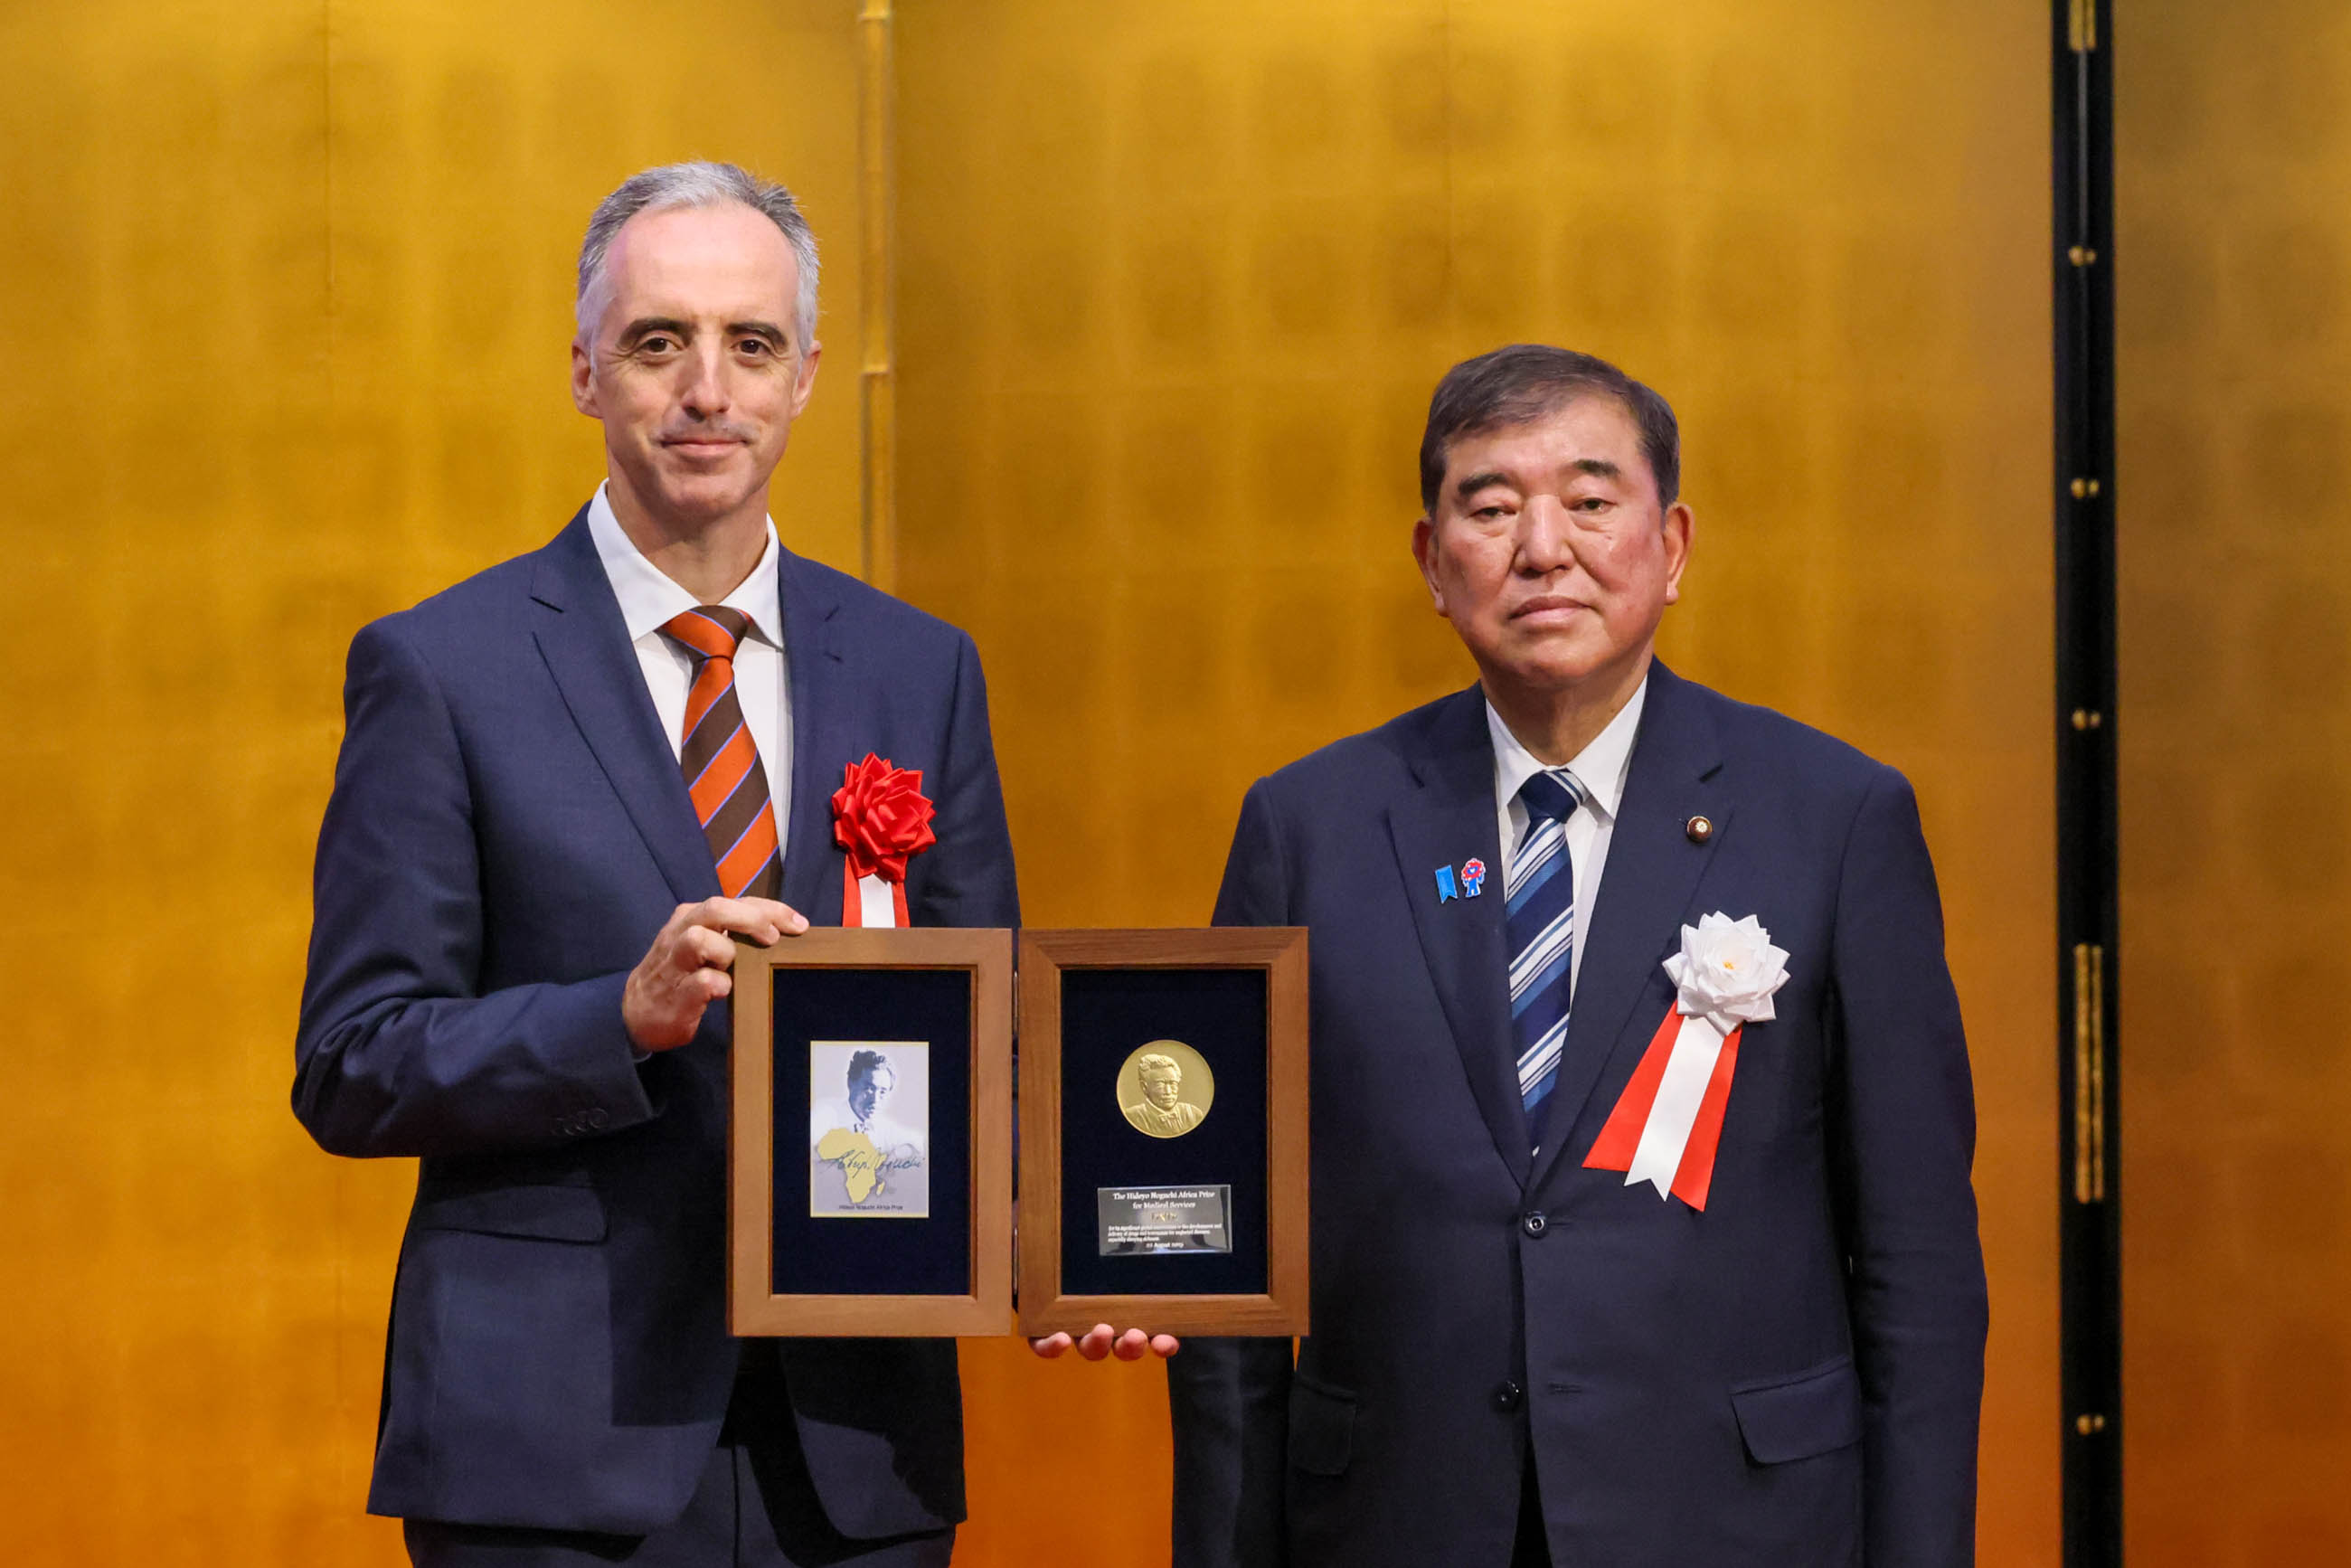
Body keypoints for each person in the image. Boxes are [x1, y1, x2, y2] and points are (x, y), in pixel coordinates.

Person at [294, 161, 1017, 1567]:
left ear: (807, 375)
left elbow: (993, 1036)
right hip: (553, 1447)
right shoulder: (443, 668)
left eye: (750, 344)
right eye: (657, 342)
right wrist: (613, 1017)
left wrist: (1090, 1248)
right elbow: (354, 1058)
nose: (707, 389)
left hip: (857, 1450)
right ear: (583, 371)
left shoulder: (921, 667)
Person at [1166, 345, 1987, 1567]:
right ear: (1432, 562)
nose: (1542, 547)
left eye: (1592, 501)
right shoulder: (1311, 826)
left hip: (1740, 1522)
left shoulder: (1832, 817)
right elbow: (1228, 1263)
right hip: (1395, 1517)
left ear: (1674, 544)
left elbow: (1918, 1267)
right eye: (1490, 508)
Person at [1123, 1053, 1207, 1137]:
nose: (1168, 1091)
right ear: (1144, 1087)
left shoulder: (1193, 1114)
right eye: (1160, 1084)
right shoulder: (1133, 1116)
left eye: (1173, 1083)